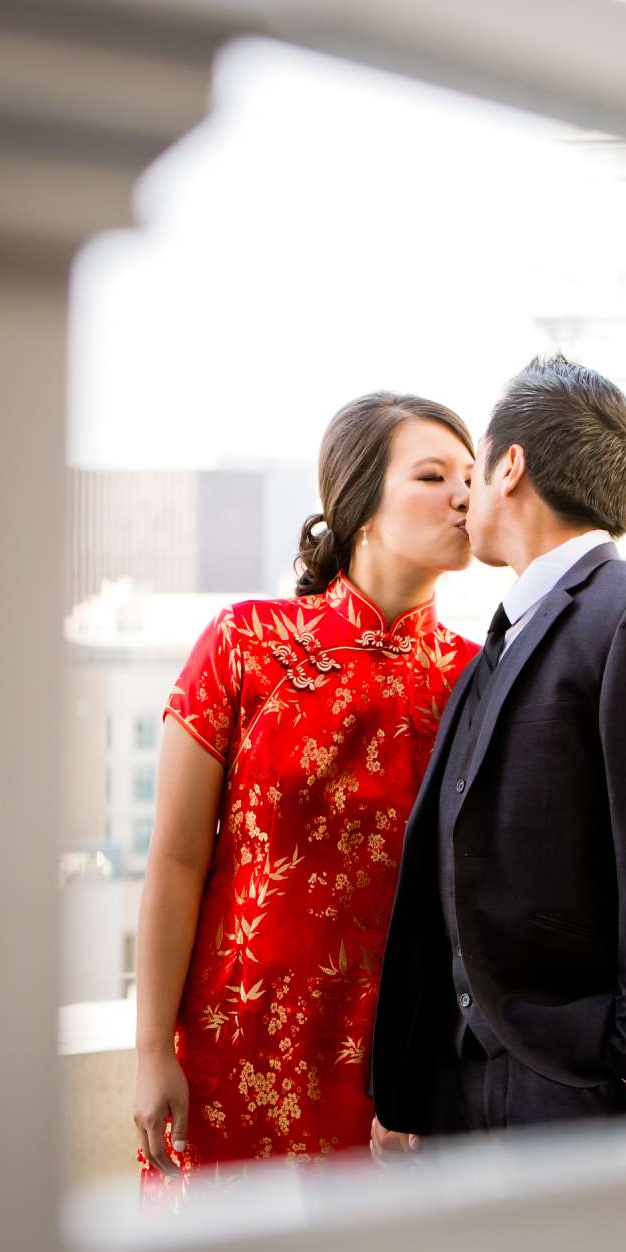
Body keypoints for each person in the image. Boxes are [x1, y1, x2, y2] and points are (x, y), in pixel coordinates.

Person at [371, 353, 626, 1149]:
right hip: (466, 1102)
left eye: (475, 470)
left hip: (586, 1094)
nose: (463, 497)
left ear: (513, 467)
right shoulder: (489, 652)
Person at [131, 392, 481, 1198]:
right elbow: (176, 862)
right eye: (434, 476)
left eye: (472, 476)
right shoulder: (242, 644)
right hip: (232, 1057)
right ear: (359, 506)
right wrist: (152, 1053)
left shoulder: (476, 677)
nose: (465, 495)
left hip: (392, 1084)